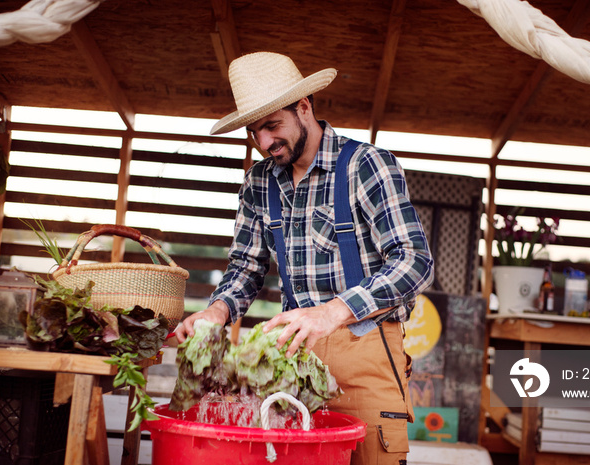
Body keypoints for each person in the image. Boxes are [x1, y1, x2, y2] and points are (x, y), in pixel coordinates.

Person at [175, 51, 434, 465]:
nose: (264, 143)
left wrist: (332, 312)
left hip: (366, 353)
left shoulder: (366, 166)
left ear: (304, 107)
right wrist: (217, 312)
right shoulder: (260, 182)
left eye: (272, 126)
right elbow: (246, 266)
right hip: (292, 362)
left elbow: (415, 261)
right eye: (254, 132)